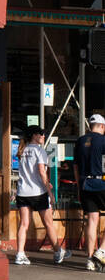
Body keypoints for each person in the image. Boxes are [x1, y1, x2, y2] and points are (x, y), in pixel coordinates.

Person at [13, 125, 69, 266]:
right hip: (38, 192)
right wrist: (50, 192)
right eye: (41, 134)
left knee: (24, 224)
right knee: (48, 223)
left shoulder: (22, 150)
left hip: (23, 192)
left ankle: (20, 254)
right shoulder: (39, 151)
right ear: (34, 136)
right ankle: (57, 252)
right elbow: (41, 172)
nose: (43, 136)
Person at [75, 115, 105, 270]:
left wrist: (79, 186)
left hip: (85, 184)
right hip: (101, 182)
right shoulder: (103, 140)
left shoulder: (80, 141)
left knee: (92, 220)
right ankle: (101, 251)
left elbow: (76, 166)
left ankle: (89, 260)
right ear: (101, 126)